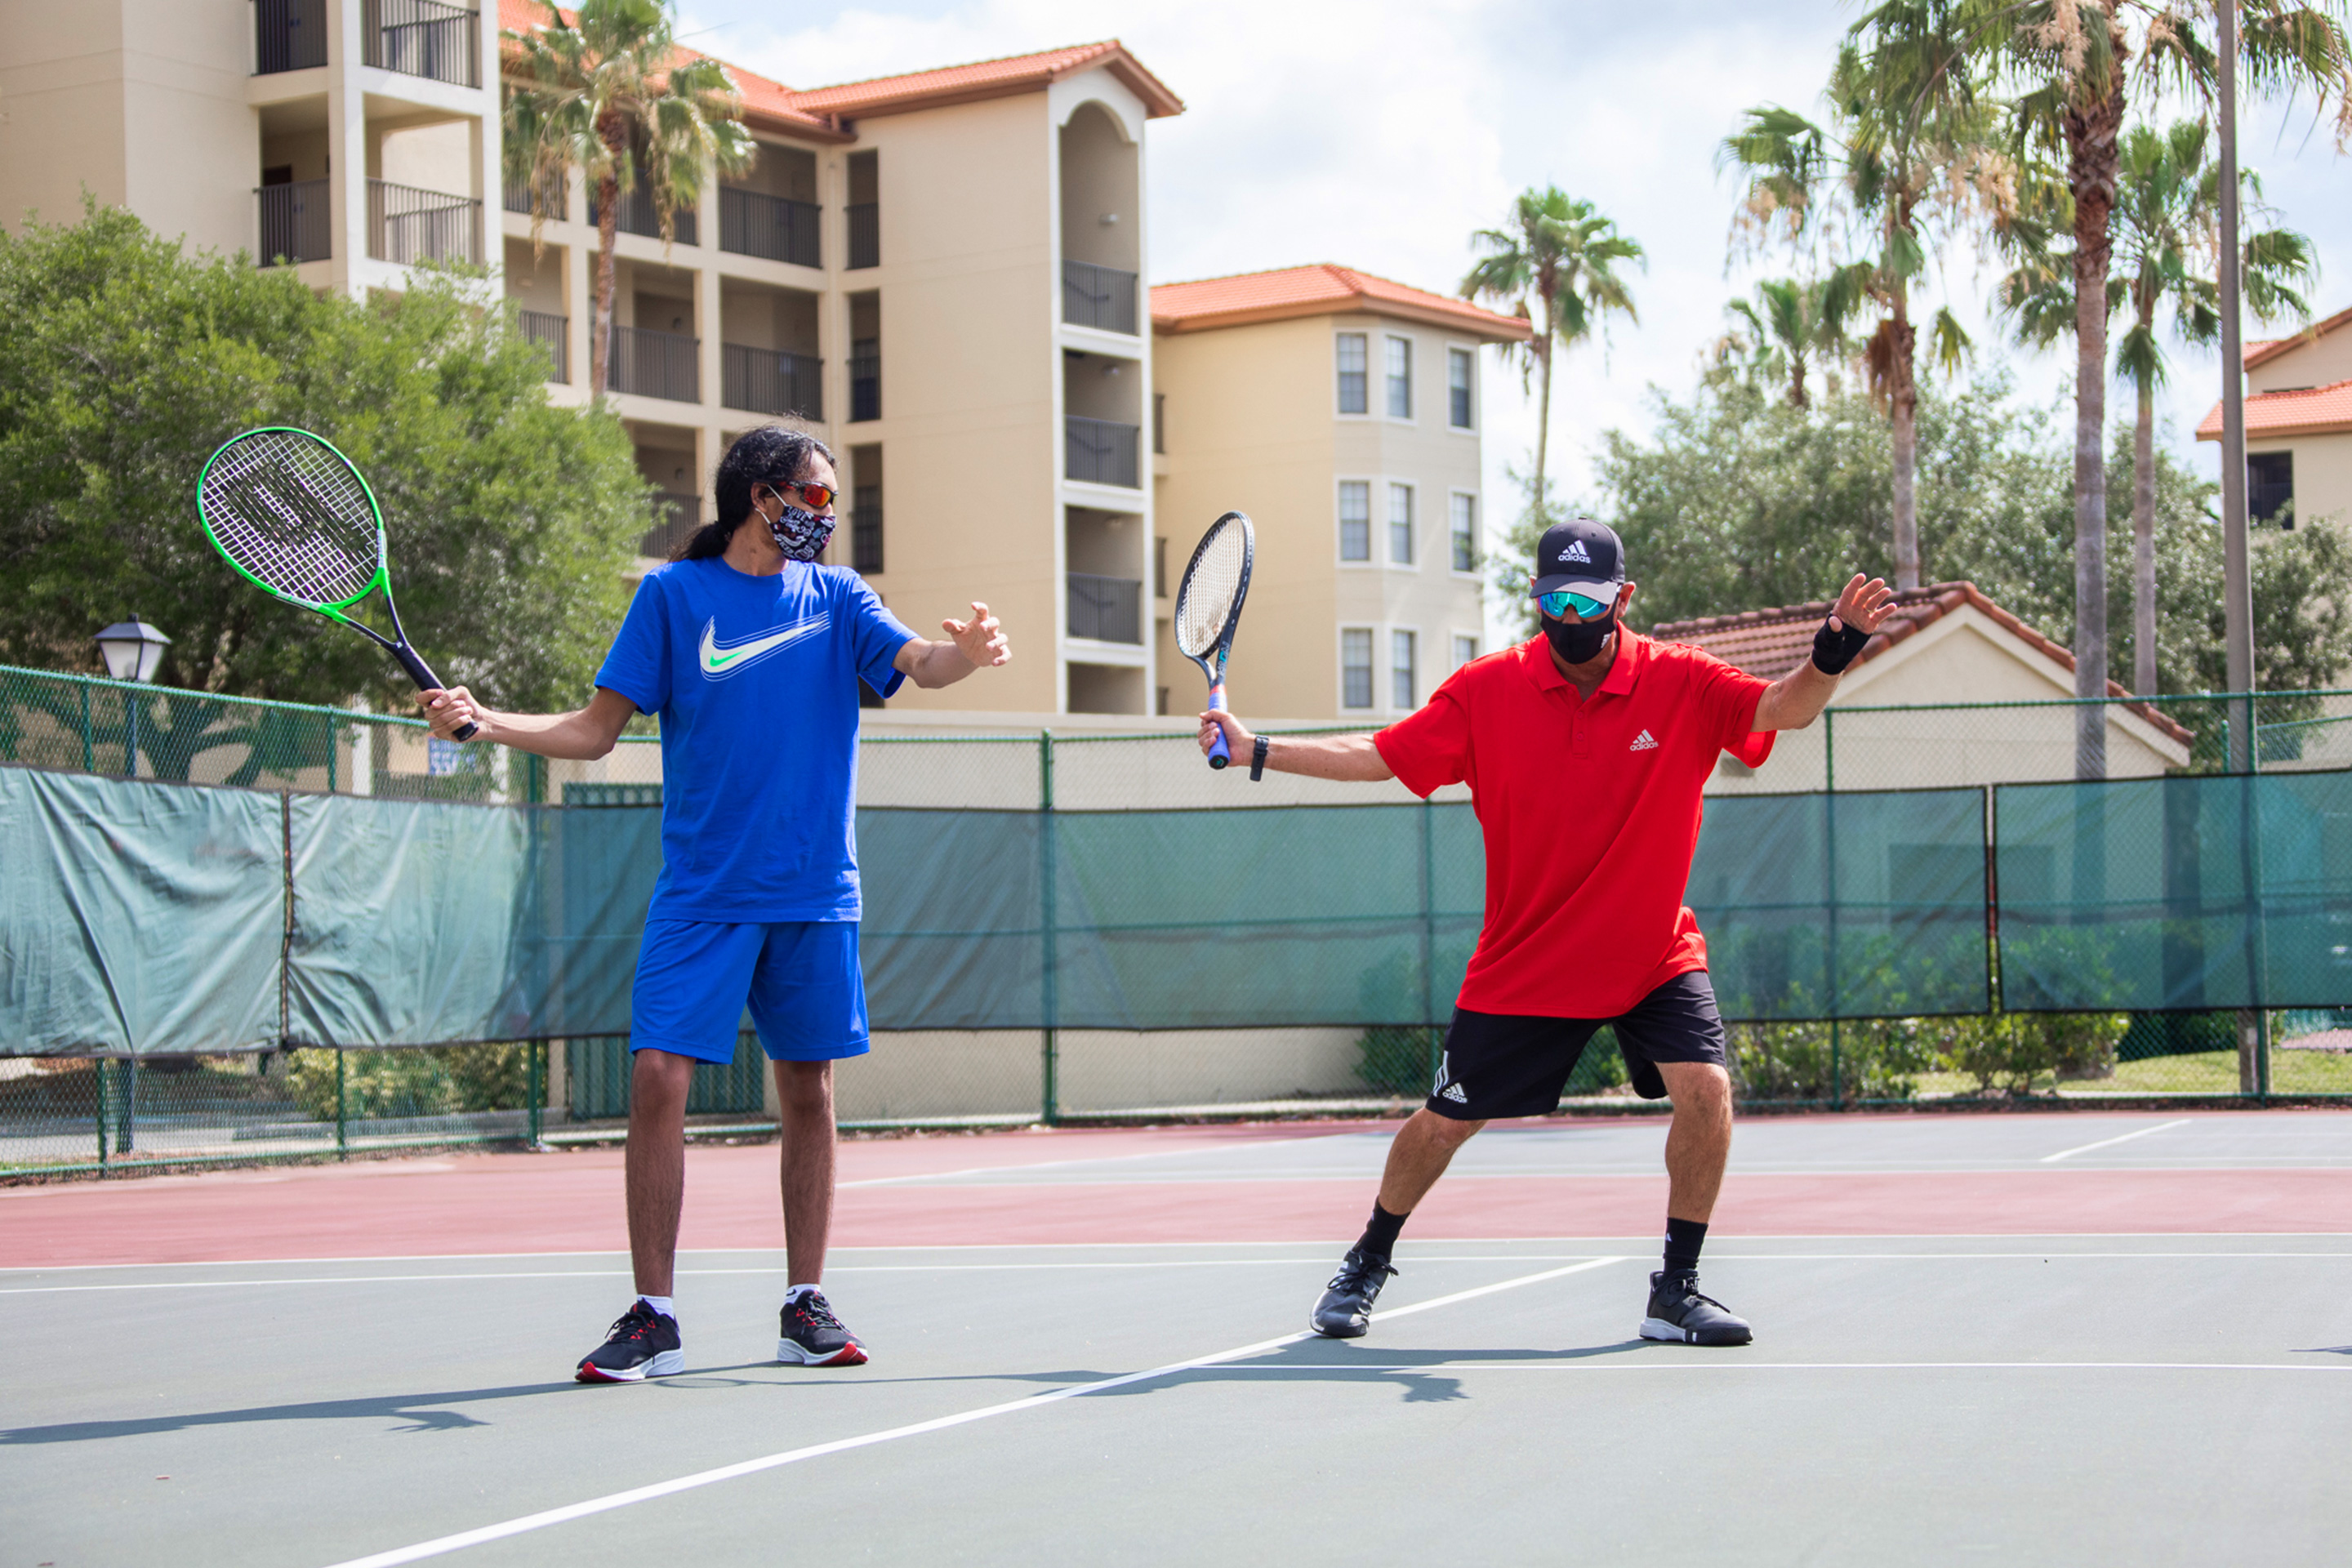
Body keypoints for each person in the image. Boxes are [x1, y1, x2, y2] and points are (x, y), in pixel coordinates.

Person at [1198, 517, 1893, 1347]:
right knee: (1444, 1123)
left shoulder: (1683, 683)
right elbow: (1380, 755)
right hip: (1528, 962)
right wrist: (1258, 749)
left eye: (1586, 599)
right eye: (1553, 599)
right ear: (1537, 600)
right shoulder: (1486, 691)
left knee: (1706, 1090)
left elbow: (1786, 709)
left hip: (1650, 955)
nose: (1569, 616)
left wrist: (1833, 651)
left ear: (1621, 599)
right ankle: (1367, 1258)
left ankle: (1676, 1290)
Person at [418, 425, 1009, 1381]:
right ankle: (654, 1314)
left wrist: (967, 655)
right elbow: (594, 730)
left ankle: (802, 1306)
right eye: (815, 496)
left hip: (817, 892)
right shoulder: (671, 597)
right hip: (703, 893)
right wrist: (486, 722)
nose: (829, 513)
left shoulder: (841, 597)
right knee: (658, 1077)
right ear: (762, 497)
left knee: (808, 1092)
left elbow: (919, 663)